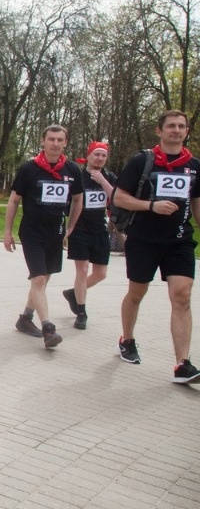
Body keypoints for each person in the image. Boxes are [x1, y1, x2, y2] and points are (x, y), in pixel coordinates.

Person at [113, 110, 200, 382]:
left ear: (186, 131)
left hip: (179, 240)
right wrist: (151, 206)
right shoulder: (143, 161)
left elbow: (197, 205)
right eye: (171, 126)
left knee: (182, 295)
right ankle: (127, 339)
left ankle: (182, 363)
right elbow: (119, 198)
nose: (176, 130)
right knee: (137, 292)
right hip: (144, 239)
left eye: (181, 126)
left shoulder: (194, 166)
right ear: (159, 131)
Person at [4, 124, 83, 348]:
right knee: (38, 279)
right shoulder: (29, 168)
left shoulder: (72, 170)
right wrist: (7, 232)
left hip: (55, 233)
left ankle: (25, 318)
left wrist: (70, 227)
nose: (55, 144)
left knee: (43, 279)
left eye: (60, 140)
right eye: (51, 139)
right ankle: (48, 328)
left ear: (65, 143)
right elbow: (13, 200)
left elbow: (78, 199)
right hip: (32, 232)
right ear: (43, 141)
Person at [61, 141, 116, 330]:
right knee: (82, 270)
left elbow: (117, 198)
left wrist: (103, 182)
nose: (99, 158)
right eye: (96, 155)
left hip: (100, 229)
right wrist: (67, 228)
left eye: (103, 156)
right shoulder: (79, 176)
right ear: (89, 156)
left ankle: (73, 293)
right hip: (80, 229)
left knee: (101, 274)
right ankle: (81, 312)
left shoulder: (109, 177)